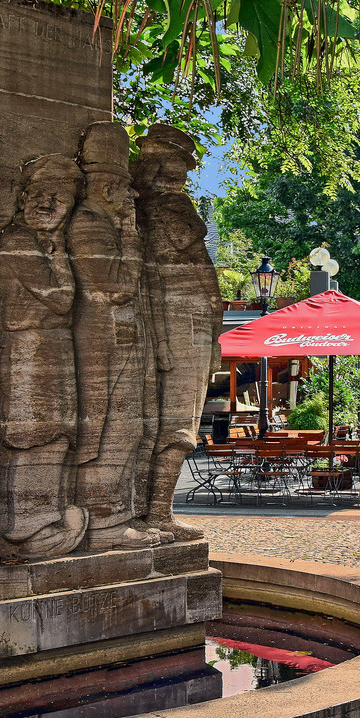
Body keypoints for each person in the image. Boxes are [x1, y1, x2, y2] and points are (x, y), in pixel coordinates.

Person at [70, 122, 162, 550]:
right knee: (111, 431)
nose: (132, 198)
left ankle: (118, 516)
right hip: (105, 342)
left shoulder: (103, 220)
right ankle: (104, 524)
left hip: (124, 337)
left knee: (129, 429)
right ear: (108, 188)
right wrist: (128, 234)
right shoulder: (89, 224)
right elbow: (117, 287)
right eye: (126, 190)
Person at [0, 154, 89, 558]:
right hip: (30, 349)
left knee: (57, 435)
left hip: (52, 347)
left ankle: (44, 519)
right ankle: (27, 527)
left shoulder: (47, 244)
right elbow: (62, 298)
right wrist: (58, 256)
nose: (49, 204)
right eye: (40, 194)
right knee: (35, 435)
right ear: (22, 199)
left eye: (61, 198)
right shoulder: (19, 241)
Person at [132, 124, 221, 541]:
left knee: (181, 424)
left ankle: (157, 513)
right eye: (174, 163)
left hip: (196, 328)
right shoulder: (156, 210)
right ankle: (155, 513)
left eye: (184, 166)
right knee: (175, 426)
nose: (182, 175)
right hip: (178, 326)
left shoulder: (164, 207)